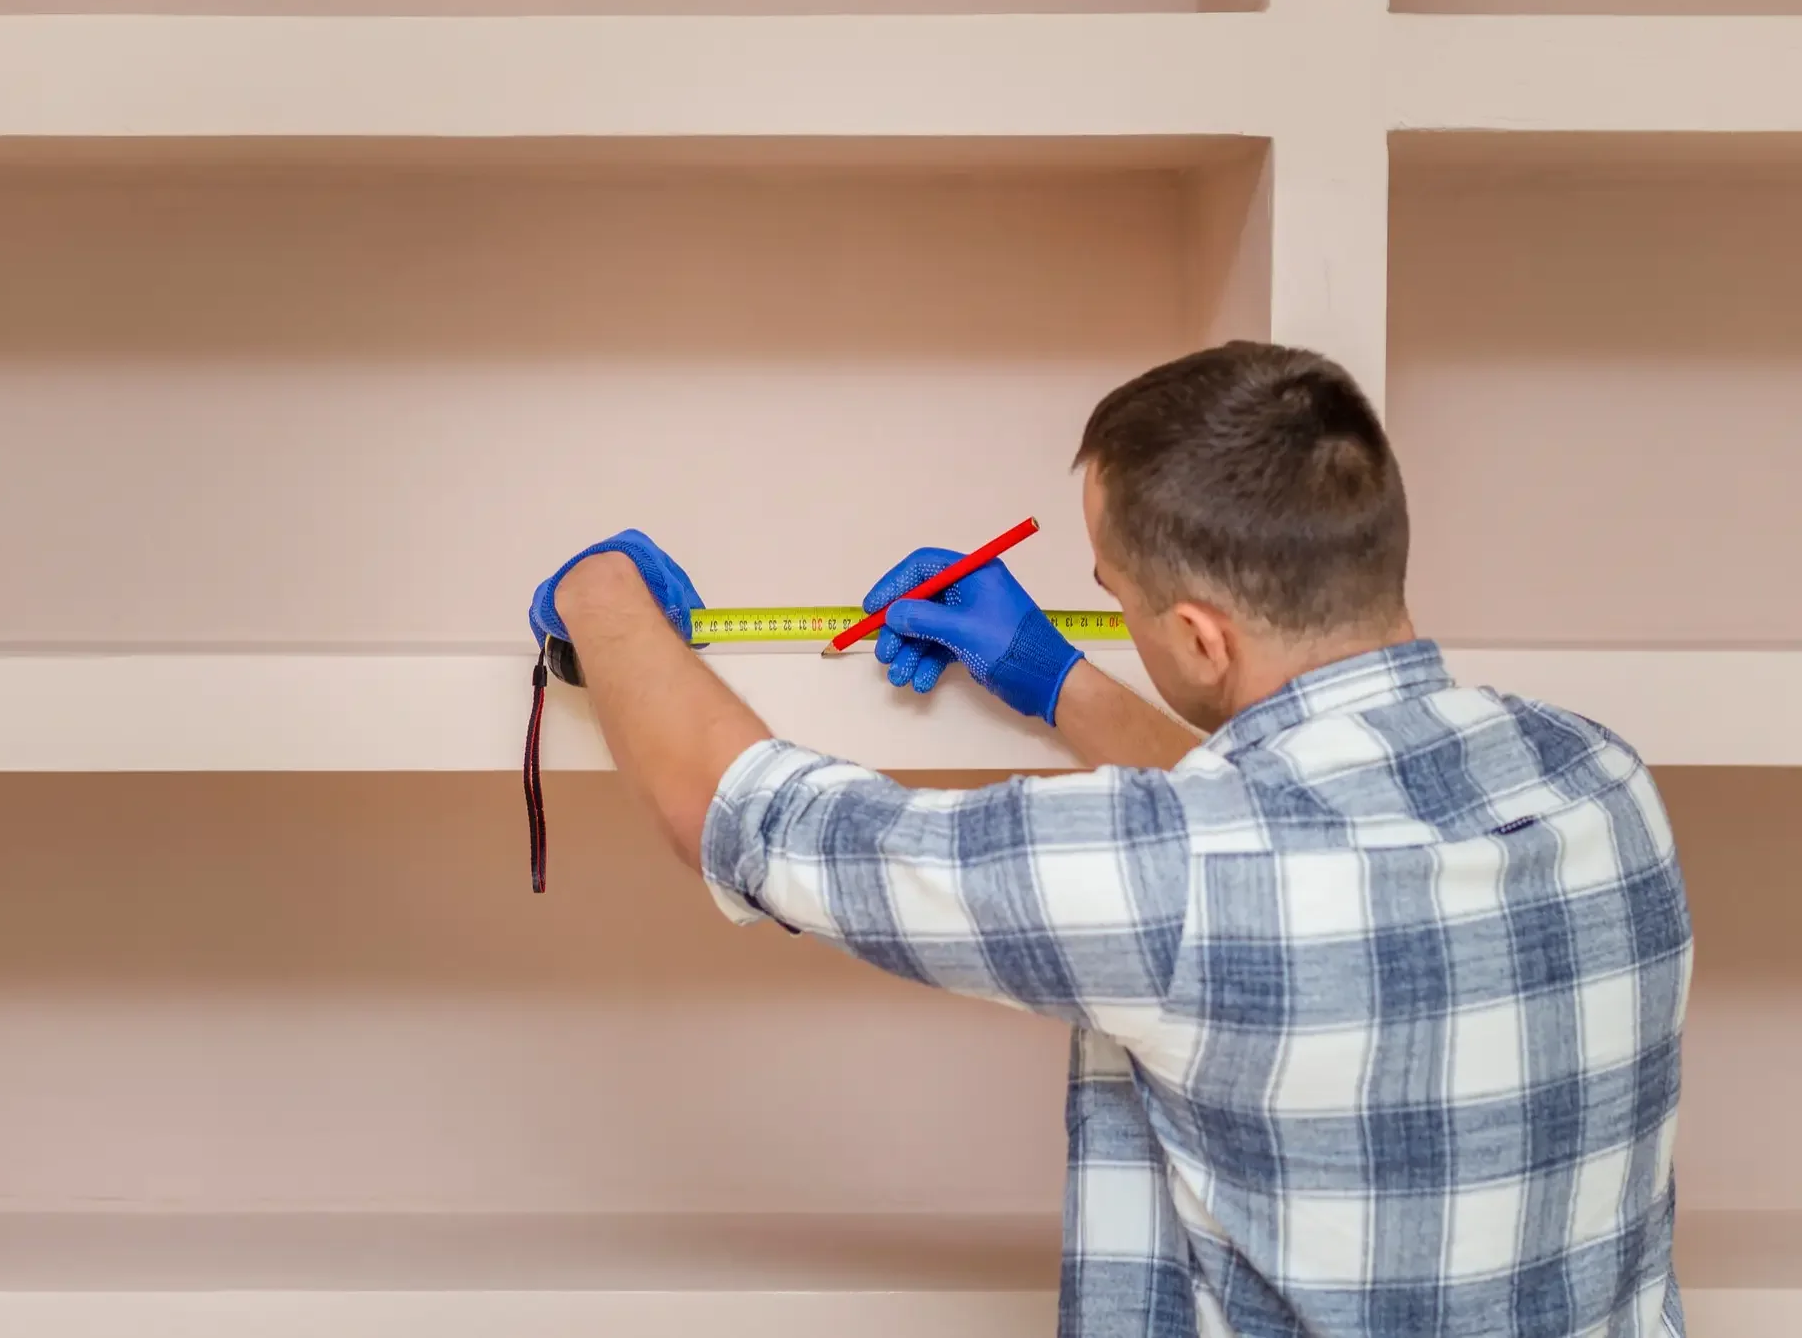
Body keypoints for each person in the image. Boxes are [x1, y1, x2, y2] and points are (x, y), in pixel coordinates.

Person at [528, 340, 1693, 1337]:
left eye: (1114, 593)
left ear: (1195, 635)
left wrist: (601, 597)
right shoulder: (1600, 778)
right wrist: (1053, 679)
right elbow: (1290, 808)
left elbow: (744, 816)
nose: (1114, 614)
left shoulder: (1171, 871)